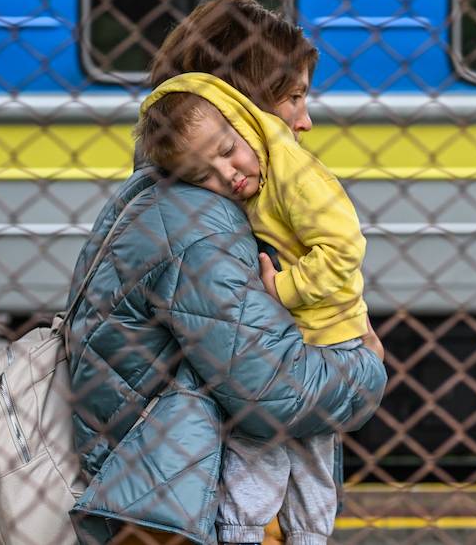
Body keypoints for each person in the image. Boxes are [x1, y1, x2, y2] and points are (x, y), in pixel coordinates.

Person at [66, 0, 387, 545]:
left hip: (176, 495)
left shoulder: (184, 201)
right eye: (293, 99)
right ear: (241, 108)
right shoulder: (199, 223)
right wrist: (366, 365)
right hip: (196, 515)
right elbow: (273, 395)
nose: (304, 122)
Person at [137, 72, 380, 545]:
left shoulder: (294, 173)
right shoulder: (247, 183)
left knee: (305, 454)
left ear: (245, 122)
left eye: (229, 152)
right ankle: (243, 533)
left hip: (327, 334)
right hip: (279, 338)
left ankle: (303, 535)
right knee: (257, 446)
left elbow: (344, 247)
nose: (229, 175)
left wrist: (283, 289)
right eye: (204, 176)